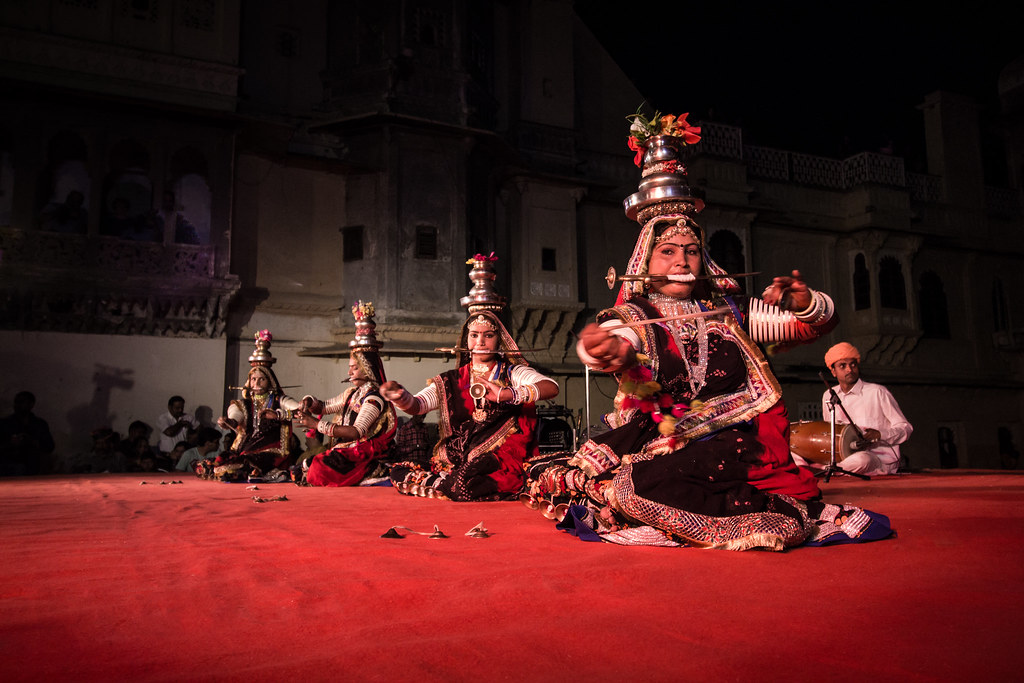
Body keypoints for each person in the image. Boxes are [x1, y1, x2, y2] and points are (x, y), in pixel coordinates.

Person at [524, 113, 891, 549]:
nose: (681, 261)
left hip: (737, 436)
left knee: (639, 485)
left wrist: (806, 303)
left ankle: (777, 518)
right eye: (668, 252)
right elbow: (618, 341)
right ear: (645, 262)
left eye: (692, 251)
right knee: (573, 475)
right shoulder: (638, 313)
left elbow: (817, 324)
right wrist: (603, 350)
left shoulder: (729, 310)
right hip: (663, 430)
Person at [382, 254, 559, 501]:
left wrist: (507, 394)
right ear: (466, 339)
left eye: (488, 335)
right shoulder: (450, 381)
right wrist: (401, 397)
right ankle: (444, 481)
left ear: (500, 340)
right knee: (399, 471)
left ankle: (443, 484)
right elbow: (418, 405)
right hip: (454, 459)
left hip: (495, 458)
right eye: (474, 335)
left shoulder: (511, 373)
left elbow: (551, 387)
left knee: (465, 482)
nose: (480, 342)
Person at [293, 301, 397, 487]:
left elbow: (356, 431)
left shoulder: (374, 398)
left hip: (362, 451)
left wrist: (316, 424)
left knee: (317, 467)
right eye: (349, 368)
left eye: (354, 368)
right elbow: (325, 407)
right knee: (305, 465)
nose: (349, 373)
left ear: (368, 369)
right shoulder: (352, 393)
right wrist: (309, 401)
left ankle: (374, 471)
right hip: (346, 448)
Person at [196, 330, 300, 482]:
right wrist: (230, 422)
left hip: (273, 451)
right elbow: (235, 415)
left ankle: (272, 473)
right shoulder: (243, 404)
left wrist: (277, 415)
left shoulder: (280, 400)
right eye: (253, 379)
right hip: (245, 449)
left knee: (243, 464)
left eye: (261, 380)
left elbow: (298, 410)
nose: (256, 384)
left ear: (269, 381)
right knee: (221, 461)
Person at [809, 342, 913, 476]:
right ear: (833, 372)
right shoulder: (829, 395)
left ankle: (824, 471)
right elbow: (831, 434)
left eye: (853, 364)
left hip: (877, 458)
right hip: (845, 457)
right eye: (843, 366)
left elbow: (906, 428)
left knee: (862, 459)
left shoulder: (877, 392)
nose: (849, 370)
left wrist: (880, 434)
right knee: (795, 453)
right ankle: (830, 469)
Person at [0, 391, 56, 476]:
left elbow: (49, 446)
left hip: (33, 464)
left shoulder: (39, 424)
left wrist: (32, 442)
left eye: (21, 402)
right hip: (10, 463)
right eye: (16, 402)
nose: (17, 405)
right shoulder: (5, 423)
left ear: (31, 404)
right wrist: (11, 444)